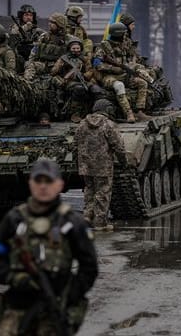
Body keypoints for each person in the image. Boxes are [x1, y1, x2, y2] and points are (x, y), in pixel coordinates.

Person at [0, 159, 98, 335]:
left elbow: (89, 267)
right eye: (38, 181)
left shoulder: (72, 223)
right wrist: (14, 278)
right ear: (30, 183)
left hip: (55, 305)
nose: (43, 187)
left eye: (49, 181)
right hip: (18, 304)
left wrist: (69, 295)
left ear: (60, 184)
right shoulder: (14, 219)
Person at [75, 99, 127, 228]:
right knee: (102, 192)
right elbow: (119, 146)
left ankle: (87, 216)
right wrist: (123, 161)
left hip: (85, 166)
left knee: (89, 191)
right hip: (103, 166)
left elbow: (75, 141)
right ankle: (100, 222)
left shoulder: (82, 124)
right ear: (108, 110)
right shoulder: (108, 124)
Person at [94, 22, 153, 123]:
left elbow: (128, 61)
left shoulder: (124, 46)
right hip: (108, 77)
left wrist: (135, 68)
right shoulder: (103, 47)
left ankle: (139, 111)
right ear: (118, 34)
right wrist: (112, 68)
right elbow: (96, 64)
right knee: (119, 86)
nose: (125, 36)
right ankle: (129, 113)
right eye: (124, 34)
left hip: (123, 75)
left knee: (142, 82)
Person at [51, 37, 94, 121]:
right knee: (79, 89)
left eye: (78, 48)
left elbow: (90, 71)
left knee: (95, 89)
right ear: (69, 49)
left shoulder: (84, 59)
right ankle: (75, 114)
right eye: (73, 48)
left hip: (83, 80)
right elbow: (53, 72)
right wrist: (61, 65)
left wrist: (83, 75)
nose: (76, 50)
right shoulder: (63, 58)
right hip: (68, 82)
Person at [24, 12, 71, 81]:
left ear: (59, 25)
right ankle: (27, 83)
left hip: (61, 68)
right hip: (45, 66)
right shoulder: (44, 37)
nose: (49, 24)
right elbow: (34, 52)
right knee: (31, 65)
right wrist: (29, 62)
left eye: (52, 22)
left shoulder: (68, 39)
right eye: (49, 22)